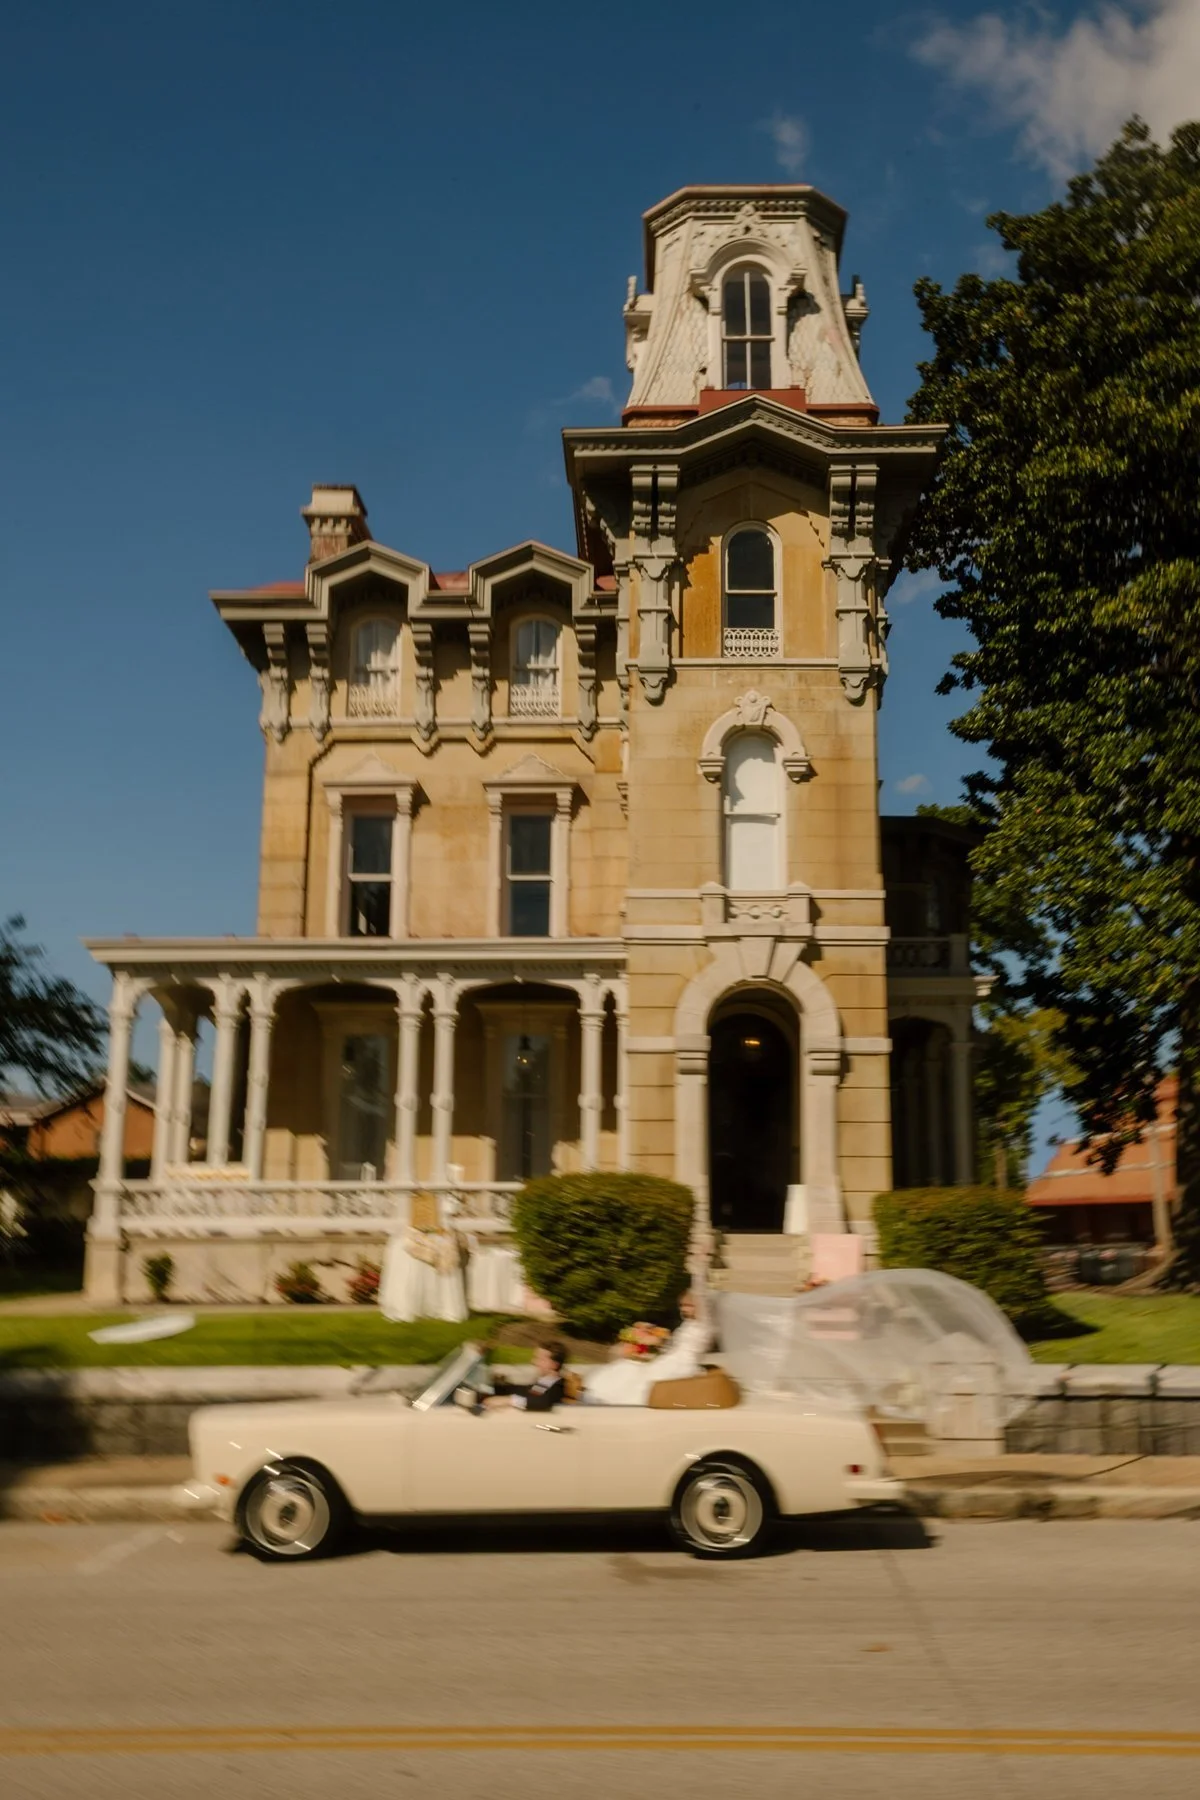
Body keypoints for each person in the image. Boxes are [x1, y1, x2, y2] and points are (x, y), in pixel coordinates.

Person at [583, 1290, 713, 1405]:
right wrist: (657, 1341)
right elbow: (674, 1347)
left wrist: (698, 1268)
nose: (684, 1309)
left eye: (688, 1305)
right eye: (682, 1305)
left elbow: (700, 1289)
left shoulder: (704, 1324)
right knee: (629, 1367)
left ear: (699, 1306)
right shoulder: (689, 1323)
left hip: (683, 1364)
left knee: (642, 1379)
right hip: (671, 1359)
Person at [485, 1341, 566, 1412]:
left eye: (540, 1359)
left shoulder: (559, 1387)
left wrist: (508, 1400)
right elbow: (524, 1392)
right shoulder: (544, 1383)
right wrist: (496, 1385)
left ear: (554, 1365)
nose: (533, 1362)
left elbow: (542, 1402)